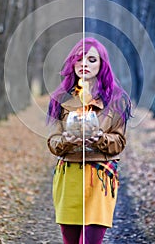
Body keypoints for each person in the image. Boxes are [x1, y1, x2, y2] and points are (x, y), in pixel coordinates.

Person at [47, 37, 131, 244]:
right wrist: (68, 141)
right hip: (69, 176)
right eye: (79, 59)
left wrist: (100, 139)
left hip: (100, 176)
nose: (84, 64)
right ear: (72, 63)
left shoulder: (117, 100)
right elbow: (53, 142)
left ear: (103, 65)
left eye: (92, 59)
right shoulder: (62, 98)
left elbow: (119, 142)